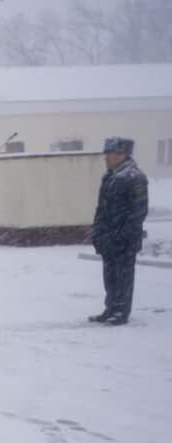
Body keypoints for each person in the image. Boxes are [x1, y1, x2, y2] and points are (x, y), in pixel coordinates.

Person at [90, 136, 147, 326]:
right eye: (106, 154)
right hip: (108, 237)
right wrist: (97, 232)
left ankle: (121, 311)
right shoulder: (110, 177)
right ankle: (111, 308)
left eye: (110, 154)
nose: (106, 158)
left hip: (124, 239)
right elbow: (101, 208)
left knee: (124, 277)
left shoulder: (134, 178)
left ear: (122, 155)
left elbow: (138, 211)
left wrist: (122, 235)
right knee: (110, 276)